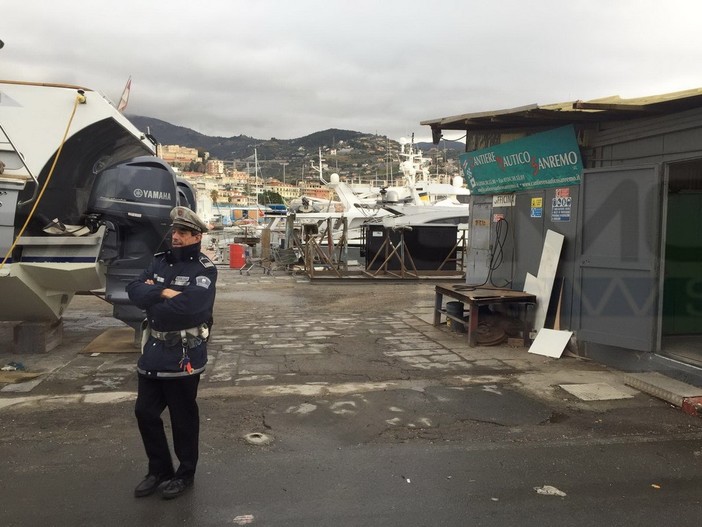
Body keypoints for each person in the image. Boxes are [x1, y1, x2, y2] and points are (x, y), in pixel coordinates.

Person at [126, 206, 217, 500]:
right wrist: (164, 292)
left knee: (183, 417)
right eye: (174, 231)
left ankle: (185, 473)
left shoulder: (203, 269)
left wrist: (153, 294)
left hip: (183, 354)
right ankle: (159, 470)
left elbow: (192, 308)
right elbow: (134, 290)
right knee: (145, 412)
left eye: (182, 233)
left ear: (196, 236)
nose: (175, 237)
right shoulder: (159, 262)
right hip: (153, 352)